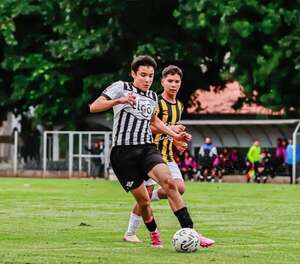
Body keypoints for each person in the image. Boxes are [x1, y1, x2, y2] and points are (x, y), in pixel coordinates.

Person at [89, 56, 215, 248]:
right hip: (123, 154)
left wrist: (174, 135)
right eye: (143, 75)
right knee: (145, 202)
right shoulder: (121, 87)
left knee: (171, 183)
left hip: (147, 148)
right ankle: (154, 234)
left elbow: (155, 122)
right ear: (133, 74)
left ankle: (190, 230)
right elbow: (94, 107)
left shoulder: (152, 97)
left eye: (150, 76)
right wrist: (119, 100)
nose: (147, 80)